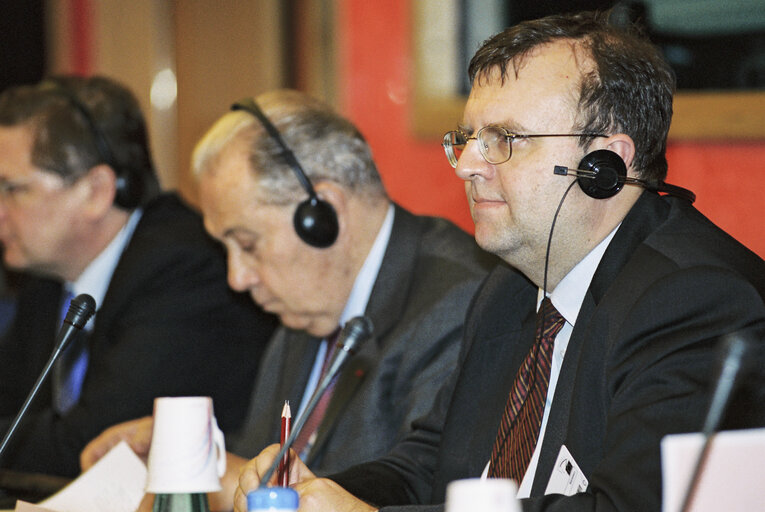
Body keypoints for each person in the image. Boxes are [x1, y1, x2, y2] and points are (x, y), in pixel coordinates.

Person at [234, 10, 765, 512]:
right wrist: (318, 492)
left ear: (606, 163)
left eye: (504, 140)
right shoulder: (511, 288)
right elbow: (430, 465)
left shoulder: (694, 301)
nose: (466, 165)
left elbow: (621, 507)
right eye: (467, 138)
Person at [80, 89, 495, 510]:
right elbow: (260, 456)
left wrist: (219, 478)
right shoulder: (304, 312)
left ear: (321, 214)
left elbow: (423, 489)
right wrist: (189, 453)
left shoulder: (458, 301)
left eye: (247, 243)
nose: (236, 278)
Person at [0, 76, 277, 477]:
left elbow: (92, 446)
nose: (1, 212)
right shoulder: (47, 274)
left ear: (97, 190)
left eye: (12, 189)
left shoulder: (189, 269)